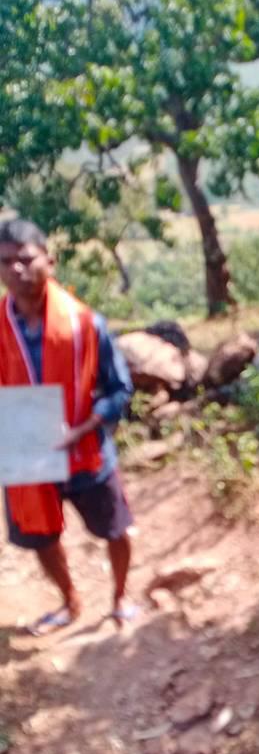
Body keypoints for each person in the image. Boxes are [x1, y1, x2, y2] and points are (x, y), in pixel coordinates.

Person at [0, 217, 137, 635]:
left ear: (50, 261)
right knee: (40, 536)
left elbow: (119, 388)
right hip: (27, 456)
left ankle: (120, 597)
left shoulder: (85, 323)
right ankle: (70, 600)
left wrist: (83, 428)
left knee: (115, 528)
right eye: (5, 262)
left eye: (26, 259)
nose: (16, 269)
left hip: (85, 449)